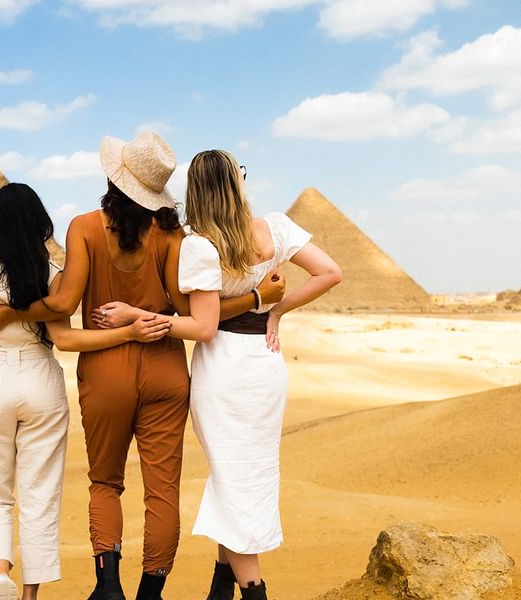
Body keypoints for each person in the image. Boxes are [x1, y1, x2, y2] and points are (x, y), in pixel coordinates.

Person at [0, 133, 285, 600]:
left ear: (112, 179)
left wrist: (12, 311)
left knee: (105, 481)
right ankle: (151, 591)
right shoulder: (175, 236)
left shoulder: (83, 227)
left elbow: (63, 300)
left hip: (104, 370)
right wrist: (260, 298)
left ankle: (107, 585)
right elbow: (196, 313)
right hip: (166, 370)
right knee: (163, 490)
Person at [93, 150, 341, 600]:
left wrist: (139, 314)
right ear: (236, 183)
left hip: (224, 370)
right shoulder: (276, 228)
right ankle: (219, 591)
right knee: (246, 475)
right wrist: (275, 310)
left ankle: (254, 590)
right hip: (266, 367)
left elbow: (202, 328)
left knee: (233, 477)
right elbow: (330, 272)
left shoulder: (200, 245)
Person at [0, 182, 173, 600]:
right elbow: (67, 340)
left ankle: (1, 574)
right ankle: (30, 595)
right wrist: (129, 332)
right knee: (39, 492)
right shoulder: (52, 277)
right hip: (40, 382)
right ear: (39, 223)